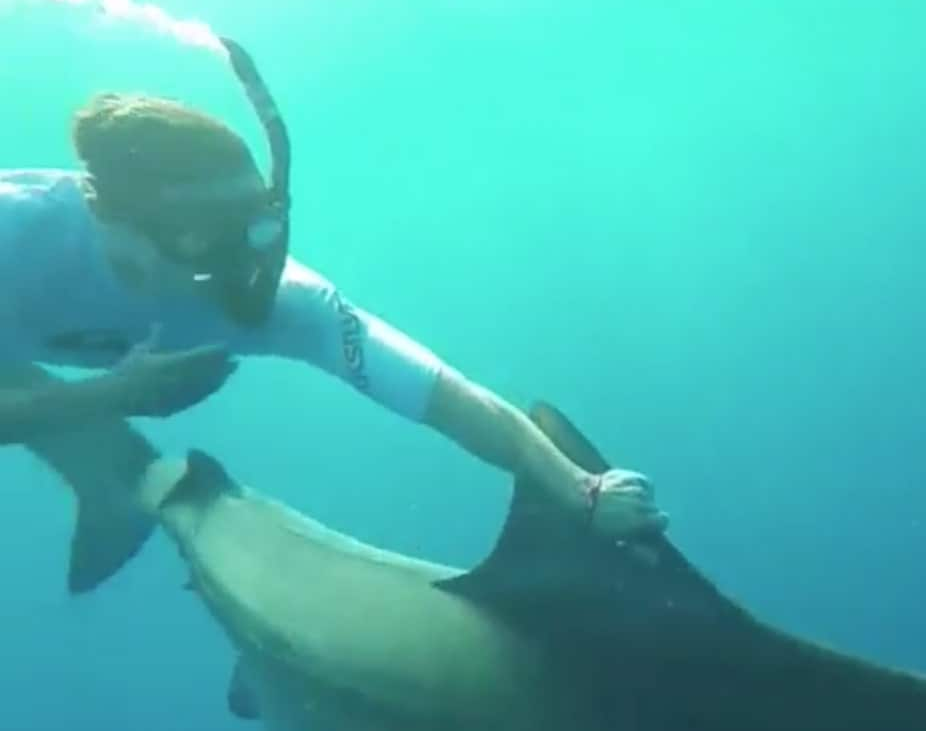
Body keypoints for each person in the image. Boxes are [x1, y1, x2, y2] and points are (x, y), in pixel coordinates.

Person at [0, 39, 667, 539]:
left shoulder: (273, 298)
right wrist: (105, 398)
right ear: (100, 207)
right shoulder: (17, 238)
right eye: (196, 238)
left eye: (249, 232)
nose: (228, 267)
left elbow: (448, 397)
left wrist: (579, 488)